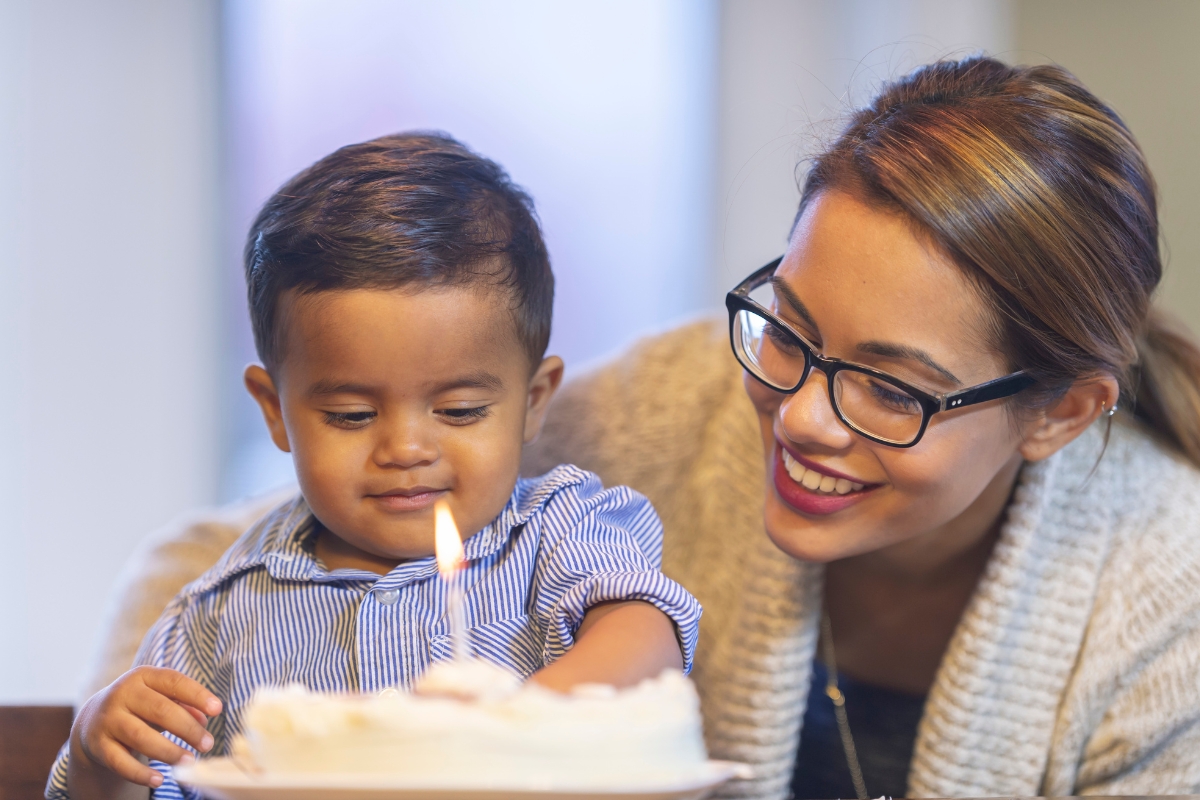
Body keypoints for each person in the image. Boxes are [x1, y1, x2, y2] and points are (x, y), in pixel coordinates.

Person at [66, 56, 1200, 800]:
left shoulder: (1166, 611)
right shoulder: (676, 410)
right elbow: (279, 538)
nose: (796, 415)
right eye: (789, 331)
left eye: (892, 388)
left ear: (1060, 409)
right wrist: (115, 725)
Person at [48, 132, 700, 800]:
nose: (406, 449)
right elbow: (148, 783)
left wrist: (511, 731)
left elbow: (646, 639)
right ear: (275, 411)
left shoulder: (561, 532)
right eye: (353, 417)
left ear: (533, 402)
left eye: (461, 410)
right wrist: (101, 758)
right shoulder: (221, 611)